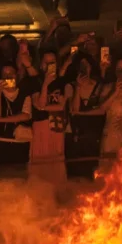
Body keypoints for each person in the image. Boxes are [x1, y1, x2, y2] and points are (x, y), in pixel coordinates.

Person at [0, 64, 33, 178]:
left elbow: (25, 115)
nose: (8, 76)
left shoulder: (24, 93)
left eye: (11, 73)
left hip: (19, 143)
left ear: (16, 75)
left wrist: (1, 120)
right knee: (0, 179)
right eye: (5, 74)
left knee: (19, 177)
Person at [30, 51, 70, 186]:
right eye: (46, 62)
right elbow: (39, 104)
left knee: (56, 159)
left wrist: (43, 108)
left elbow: (61, 106)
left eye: (52, 62)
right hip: (40, 126)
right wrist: (46, 84)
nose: (49, 65)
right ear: (41, 64)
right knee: (40, 159)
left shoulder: (62, 81)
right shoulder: (36, 81)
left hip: (56, 125)